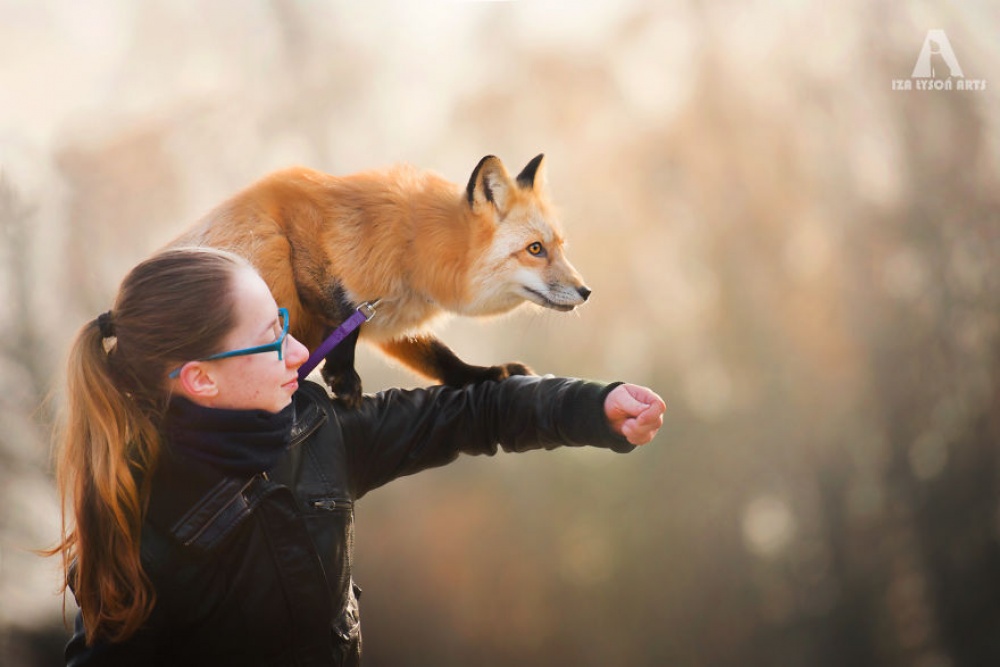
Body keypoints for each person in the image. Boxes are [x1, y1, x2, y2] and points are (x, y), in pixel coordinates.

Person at [49, 246, 665, 666]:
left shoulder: (316, 428)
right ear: (200, 381)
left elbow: (471, 413)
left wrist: (594, 406)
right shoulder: (141, 532)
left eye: (284, 322)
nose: (298, 352)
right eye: (269, 340)